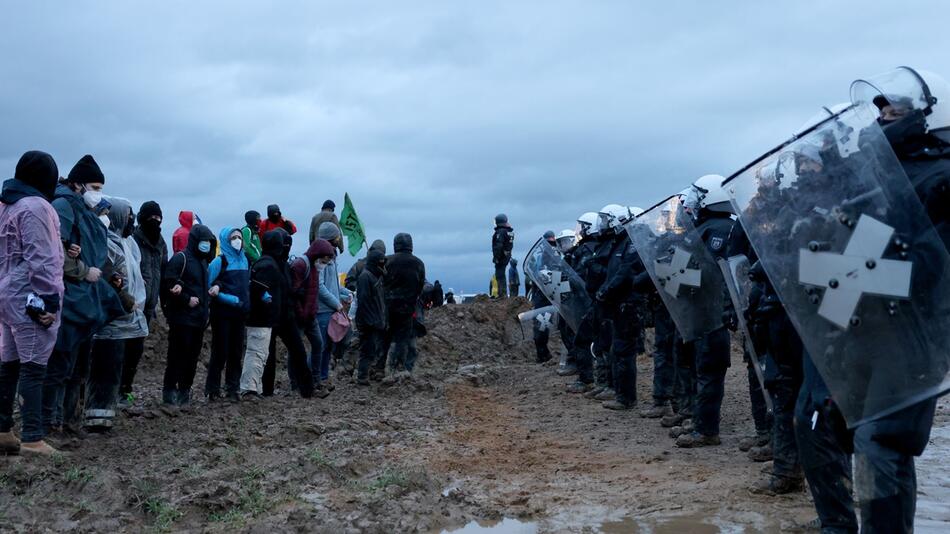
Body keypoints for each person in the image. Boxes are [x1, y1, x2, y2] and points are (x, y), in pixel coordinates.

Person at [44, 155, 124, 437]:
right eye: (94, 186)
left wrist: (106, 274)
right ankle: (48, 423)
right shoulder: (63, 206)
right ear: (77, 184)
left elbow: (92, 250)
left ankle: (68, 420)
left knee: (76, 365)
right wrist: (81, 270)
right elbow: (56, 251)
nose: (97, 193)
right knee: (58, 363)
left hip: (85, 299)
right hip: (69, 297)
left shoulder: (87, 212)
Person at [0, 151, 65, 455]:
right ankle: (33, 437)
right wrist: (50, 299)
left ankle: (3, 429)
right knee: (33, 366)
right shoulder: (37, 207)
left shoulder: (6, 205)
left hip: (5, 295)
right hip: (30, 295)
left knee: (9, 363)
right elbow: (44, 258)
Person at [674, 175, 736, 449]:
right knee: (701, 369)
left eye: (697, 196)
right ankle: (700, 421)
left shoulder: (719, 230)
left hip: (712, 315)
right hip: (701, 313)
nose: (691, 203)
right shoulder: (706, 228)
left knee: (709, 372)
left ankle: (706, 429)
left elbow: (708, 274)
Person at [85, 198, 145, 431]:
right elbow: (109, 278)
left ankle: (107, 412)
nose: (132, 220)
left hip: (127, 315)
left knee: (117, 366)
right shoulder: (108, 242)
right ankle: (95, 417)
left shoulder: (128, 244)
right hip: (109, 316)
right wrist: (122, 299)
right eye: (129, 215)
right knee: (103, 366)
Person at [160, 223, 216, 409]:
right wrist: (185, 299)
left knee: (192, 357)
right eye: (203, 241)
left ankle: (185, 391)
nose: (206, 245)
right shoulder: (180, 259)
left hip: (198, 320)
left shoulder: (203, 262)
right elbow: (168, 284)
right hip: (181, 319)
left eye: (208, 241)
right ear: (195, 241)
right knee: (176, 356)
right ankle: (169, 392)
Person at [122, 201, 167, 402]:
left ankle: (126, 389)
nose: (155, 221)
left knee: (136, 349)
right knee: (122, 347)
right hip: (131, 304)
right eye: (152, 218)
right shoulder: (133, 240)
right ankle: (115, 389)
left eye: (158, 218)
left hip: (149, 306)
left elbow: (164, 271)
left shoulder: (161, 243)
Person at [261, 229, 314, 398]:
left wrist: (293, 295)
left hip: (286, 316)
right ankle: (267, 391)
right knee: (269, 356)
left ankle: (307, 390)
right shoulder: (267, 264)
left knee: (298, 351)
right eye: (284, 244)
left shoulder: (284, 264)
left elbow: (286, 288)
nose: (287, 248)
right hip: (270, 316)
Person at [205, 227, 250, 403]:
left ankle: (233, 388)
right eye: (233, 237)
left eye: (239, 237)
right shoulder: (219, 262)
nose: (237, 240)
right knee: (220, 351)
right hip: (222, 313)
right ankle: (213, 389)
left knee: (236, 352)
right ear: (225, 240)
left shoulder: (245, 260)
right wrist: (227, 298)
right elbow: (209, 287)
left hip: (239, 314)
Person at [239, 230, 283, 399]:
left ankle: (254, 387)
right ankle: (249, 388)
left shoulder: (263, 262)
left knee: (260, 354)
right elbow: (257, 288)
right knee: (256, 353)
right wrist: (266, 298)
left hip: (262, 318)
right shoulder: (268, 265)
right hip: (260, 319)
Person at [290, 237, 335, 395]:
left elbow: (313, 292)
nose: (325, 263)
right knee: (296, 350)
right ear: (318, 254)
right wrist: (301, 313)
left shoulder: (317, 268)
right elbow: (294, 293)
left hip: (311, 315)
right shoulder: (300, 265)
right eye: (325, 259)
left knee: (318, 345)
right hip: (299, 316)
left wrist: (311, 311)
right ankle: (294, 383)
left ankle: (316, 380)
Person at [314, 222, 353, 386]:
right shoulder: (321, 257)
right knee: (321, 347)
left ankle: (322, 378)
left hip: (331, 310)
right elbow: (319, 286)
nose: (339, 239)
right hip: (323, 310)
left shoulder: (332, 256)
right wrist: (337, 303)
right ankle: (312, 378)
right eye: (337, 236)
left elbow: (334, 284)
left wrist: (347, 293)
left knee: (328, 347)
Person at [384, 233, 426, 373]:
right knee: (403, 339)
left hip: (387, 307)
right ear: (411, 245)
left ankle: (380, 368)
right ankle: (399, 367)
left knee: (385, 338)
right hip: (407, 308)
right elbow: (421, 286)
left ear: (395, 245)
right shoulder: (418, 263)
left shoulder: (387, 261)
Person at [355, 249, 387, 385]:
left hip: (375, 321)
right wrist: (371, 321)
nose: (383, 266)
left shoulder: (375, 276)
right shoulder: (365, 277)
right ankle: (362, 377)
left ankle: (365, 374)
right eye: (380, 263)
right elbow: (363, 301)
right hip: (368, 322)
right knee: (367, 351)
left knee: (372, 350)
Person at [491, 214, 514, 299]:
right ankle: (502, 294)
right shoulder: (509, 232)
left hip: (501, 257)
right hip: (506, 256)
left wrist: (496, 257)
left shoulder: (500, 232)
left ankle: (502, 295)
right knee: (501, 274)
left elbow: (498, 245)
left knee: (499, 275)